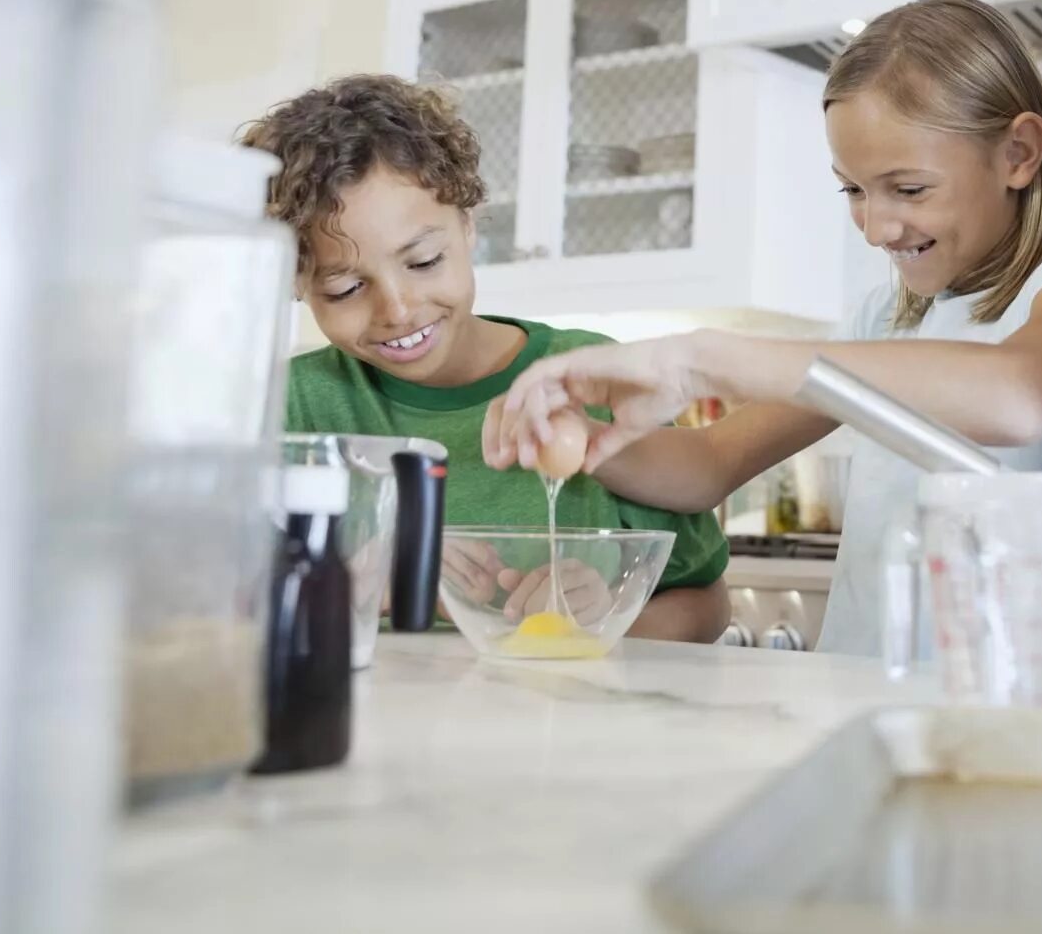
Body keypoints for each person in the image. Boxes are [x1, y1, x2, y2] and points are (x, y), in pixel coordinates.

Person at [482, 0, 1042, 656]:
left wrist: (702, 357)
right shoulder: (884, 320)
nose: (878, 227)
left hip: (1010, 716)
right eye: (854, 190)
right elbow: (710, 463)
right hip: (861, 699)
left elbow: (1019, 397)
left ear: (1019, 153)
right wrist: (586, 438)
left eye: (908, 189)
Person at [241, 75, 730, 641]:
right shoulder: (292, 407)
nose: (398, 309)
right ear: (296, 282)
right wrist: (361, 581)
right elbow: (222, 606)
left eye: (423, 261)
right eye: (346, 289)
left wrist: (606, 621)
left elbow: (707, 606)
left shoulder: (591, 378)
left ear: (468, 224)